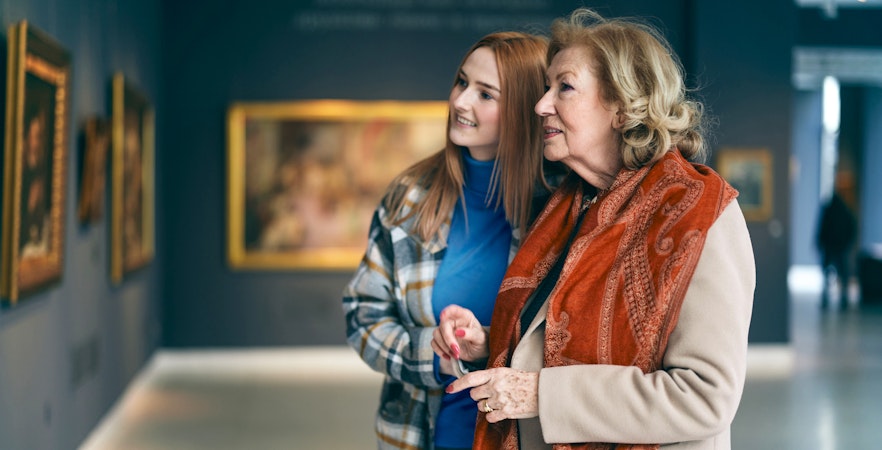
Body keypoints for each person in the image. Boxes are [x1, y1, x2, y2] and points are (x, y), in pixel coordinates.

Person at [434, 8, 755, 450]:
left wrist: (542, 395)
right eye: (546, 87)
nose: (541, 105)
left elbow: (704, 398)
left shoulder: (701, 213)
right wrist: (489, 345)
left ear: (622, 107)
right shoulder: (572, 204)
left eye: (564, 87)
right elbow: (566, 341)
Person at [343, 31, 563, 450]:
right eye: (462, 82)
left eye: (485, 94)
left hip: (521, 439)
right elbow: (363, 315)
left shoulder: (560, 207)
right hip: (419, 436)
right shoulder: (410, 196)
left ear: (523, 108)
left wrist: (488, 346)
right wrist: (435, 356)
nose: (460, 101)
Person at [816, 181, 857, 310]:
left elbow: (822, 228)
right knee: (840, 273)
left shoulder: (831, 210)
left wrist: (819, 242)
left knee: (831, 273)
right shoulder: (844, 210)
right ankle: (841, 298)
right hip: (837, 247)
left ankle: (830, 298)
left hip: (834, 247)